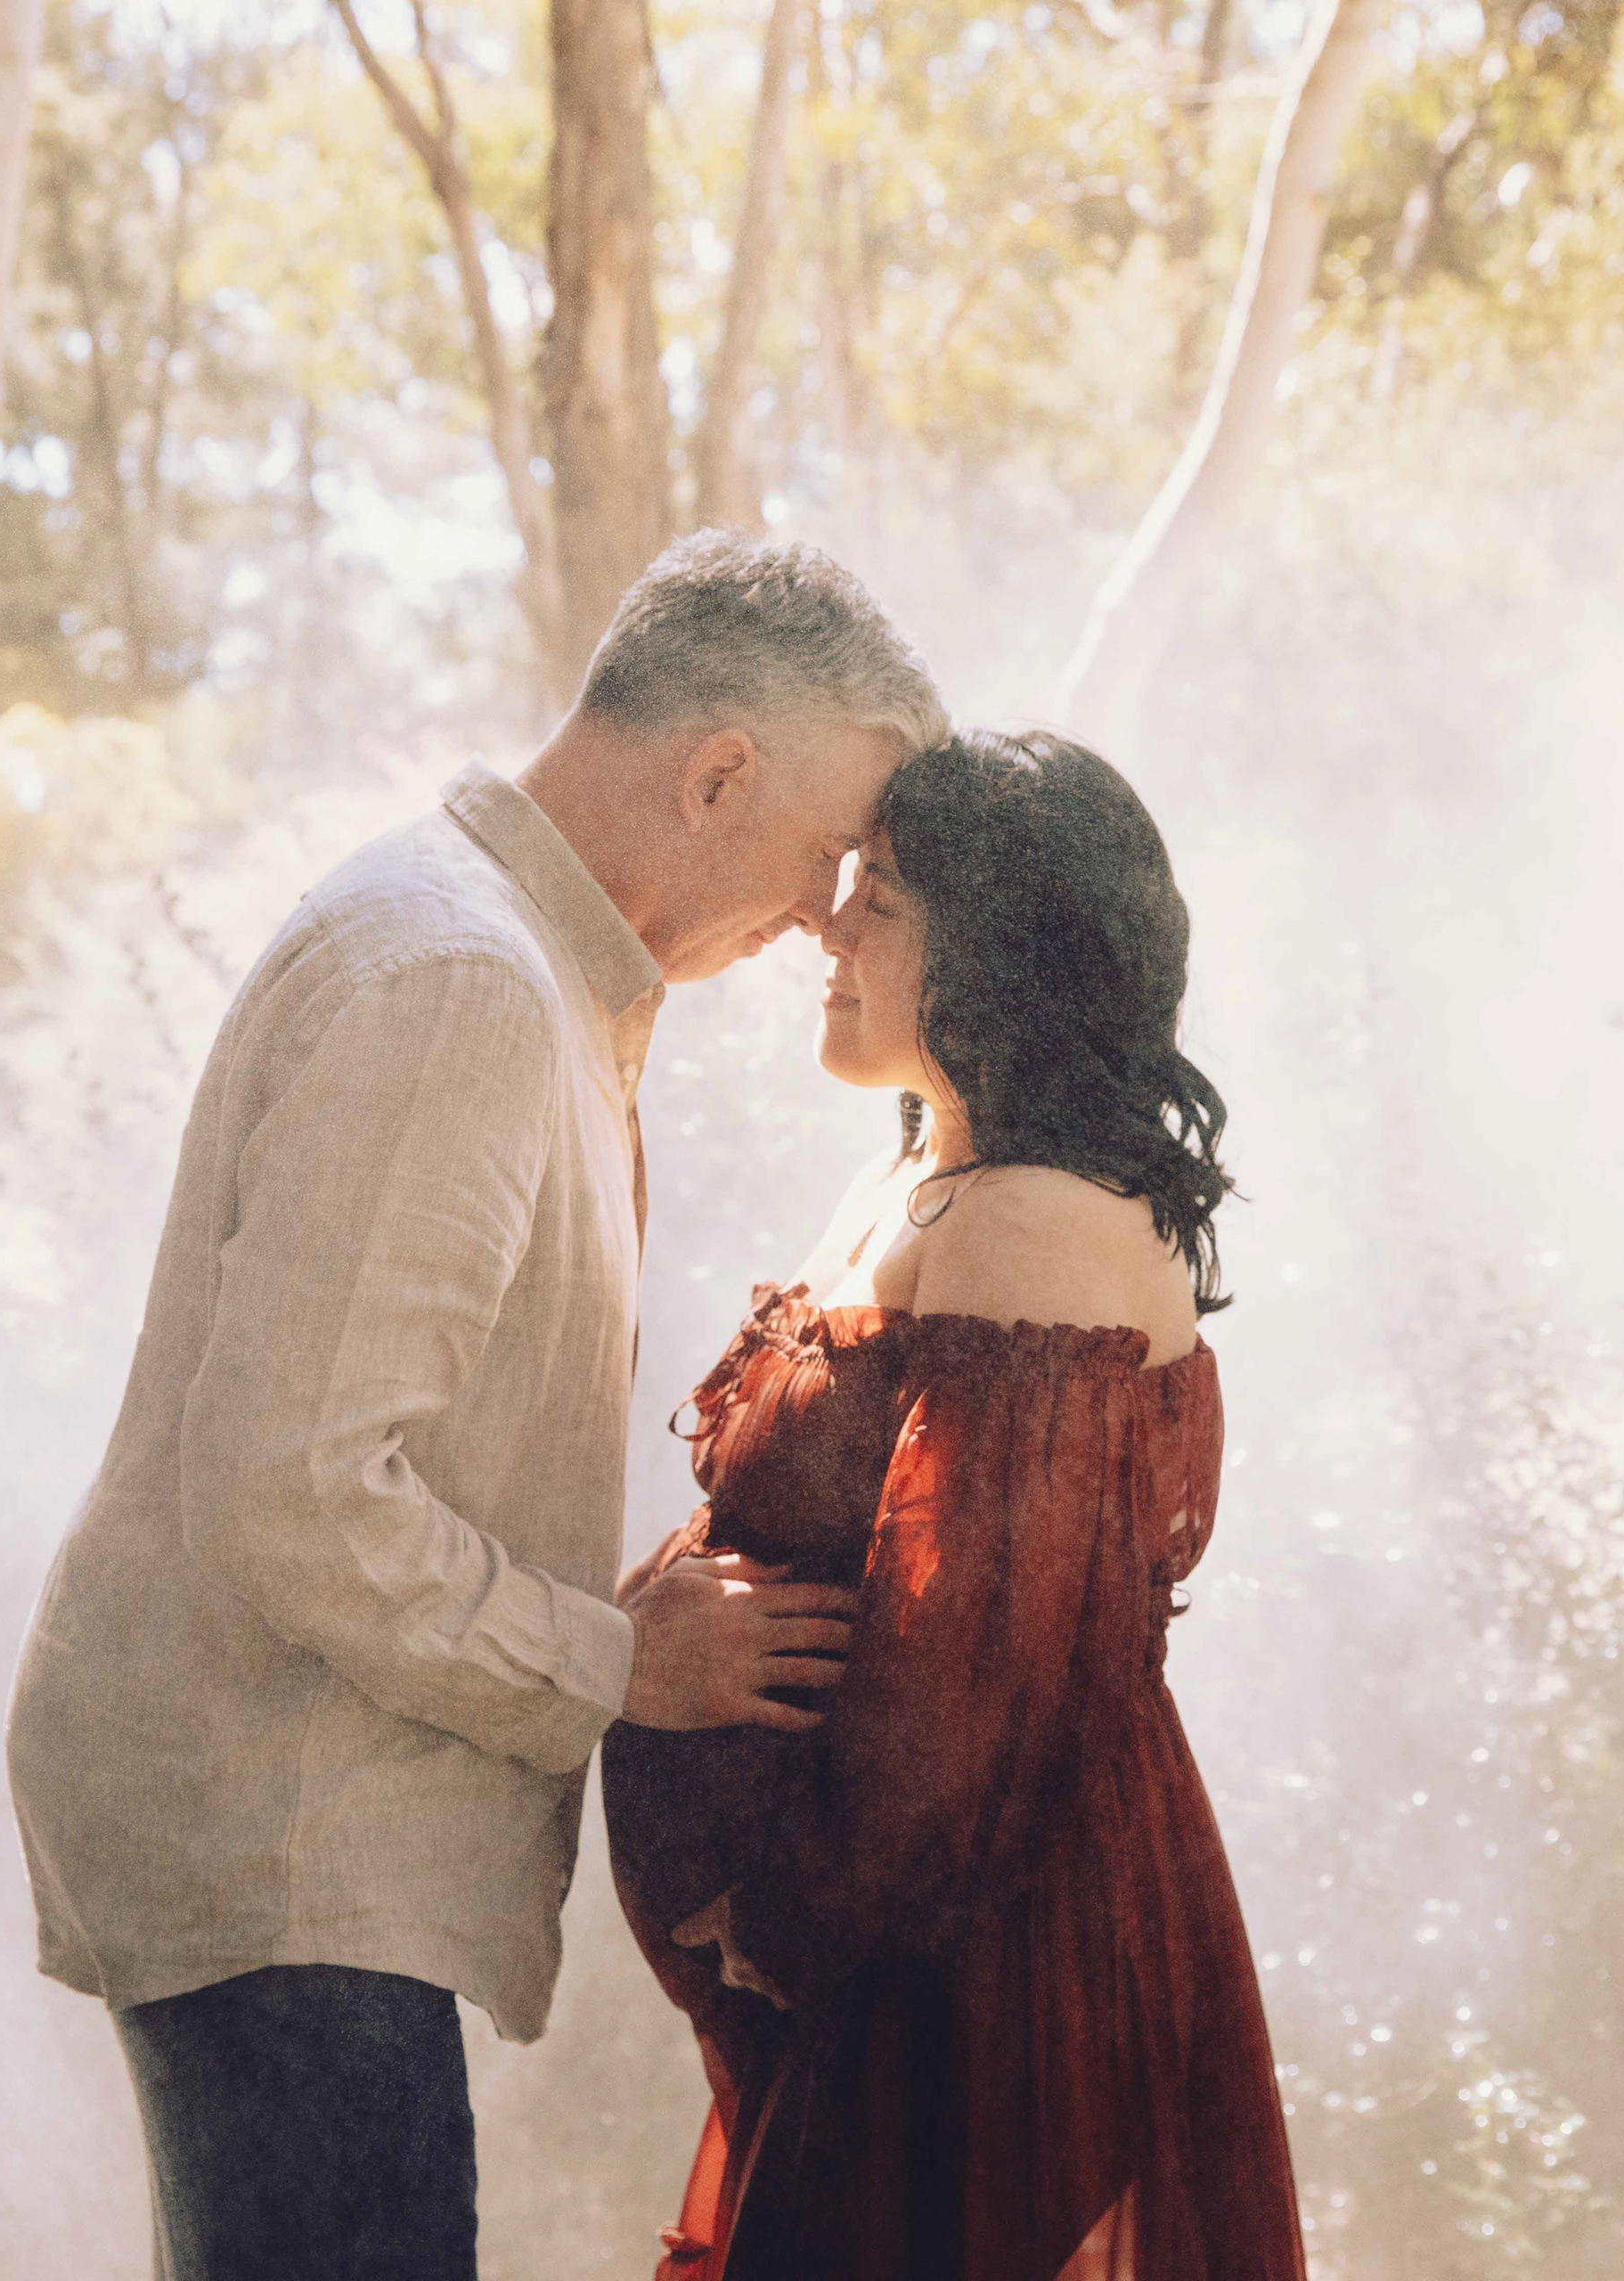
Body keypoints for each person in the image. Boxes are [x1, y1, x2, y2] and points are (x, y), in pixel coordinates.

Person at [4, 533, 946, 2281]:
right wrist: (621, 1659)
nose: (829, 911)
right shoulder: (461, 989)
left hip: (293, 1845)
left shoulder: (515, 967)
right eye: (828, 853)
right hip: (284, 1846)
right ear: (718, 770)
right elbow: (295, 1494)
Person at [604, 730, 1307, 2279]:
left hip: (975, 1950)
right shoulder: (914, 1180)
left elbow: (972, 1667)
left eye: (888, 903)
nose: (831, 926)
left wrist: (786, 1912)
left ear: (1003, 955)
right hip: (878, 1948)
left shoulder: (1037, 1225)